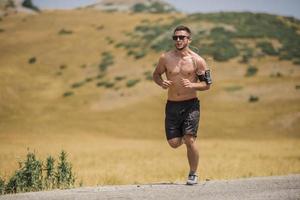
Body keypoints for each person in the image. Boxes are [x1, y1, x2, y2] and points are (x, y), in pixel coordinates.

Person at [152, 25, 212, 185]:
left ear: (189, 39)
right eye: (175, 37)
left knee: (190, 140)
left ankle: (193, 173)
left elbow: (207, 84)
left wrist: (193, 85)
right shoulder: (165, 58)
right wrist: (161, 82)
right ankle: (186, 138)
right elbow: (156, 74)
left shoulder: (197, 60)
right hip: (172, 105)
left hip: (190, 105)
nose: (178, 40)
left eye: (181, 37)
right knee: (173, 143)